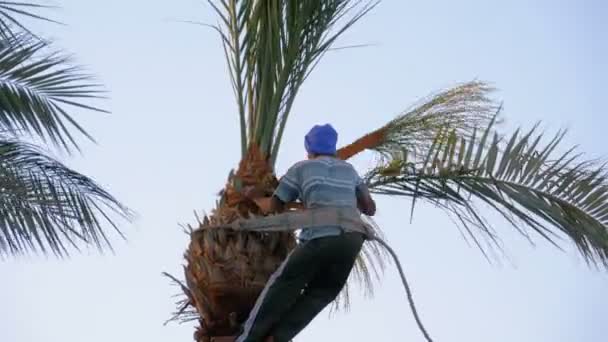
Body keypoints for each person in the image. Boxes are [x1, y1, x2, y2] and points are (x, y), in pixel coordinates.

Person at [236, 124, 376, 342]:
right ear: (333, 148)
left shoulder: (301, 168)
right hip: (352, 239)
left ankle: (248, 339)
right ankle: (278, 338)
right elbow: (370, 208)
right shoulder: (349, 171)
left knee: (284, 284)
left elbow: (274, 206)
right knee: (323, 292)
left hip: (319, 237)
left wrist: (251, 196)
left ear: (309, 149)